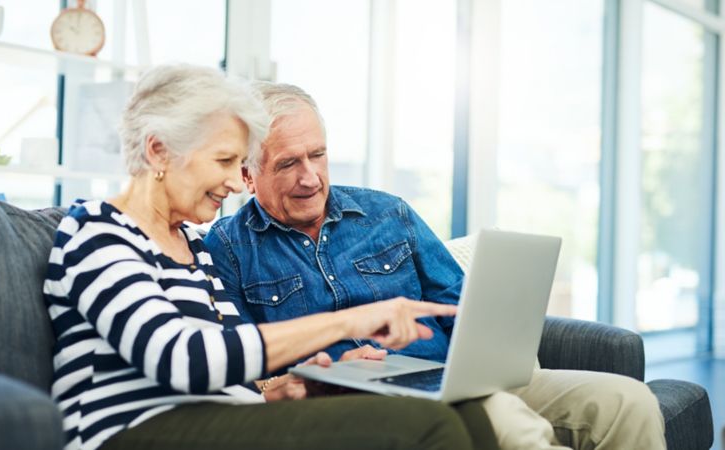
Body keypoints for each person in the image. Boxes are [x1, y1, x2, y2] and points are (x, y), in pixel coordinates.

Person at [43, 64, 500, 450]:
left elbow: (236, 371)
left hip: (215, 421)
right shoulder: (98, 231)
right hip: (135, 433)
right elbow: (180, 359)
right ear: (159, 150)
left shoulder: (193, 250)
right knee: (424, 427)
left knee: (470, 419)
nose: (238, 183)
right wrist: (349, 322)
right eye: (224, 161)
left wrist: (282, 390)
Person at [203, 81, 667, 450]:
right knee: (508, 424)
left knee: (630, 401)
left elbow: (462, 304)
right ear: (247, 174)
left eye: (318, 155)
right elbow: (247, 366)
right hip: (363, 403)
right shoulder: (227, 248)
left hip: (454, 377)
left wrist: (493, 341)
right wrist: (325, 368)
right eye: (287, 164)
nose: (310, 177)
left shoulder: (389, 213)